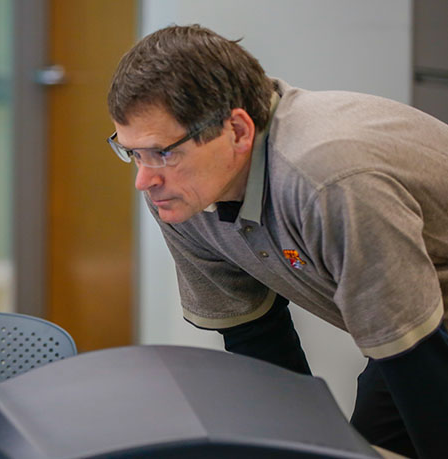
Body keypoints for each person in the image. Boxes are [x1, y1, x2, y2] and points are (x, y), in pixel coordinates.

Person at [107, 24, 448, 458]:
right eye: (132, 151)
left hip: (423, 335)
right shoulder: (180, 194)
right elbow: (256, 339)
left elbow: (415, 356)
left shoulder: (328, 181)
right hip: (423, 330)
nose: (144, 179)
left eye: (163, 152)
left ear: (237, 130)